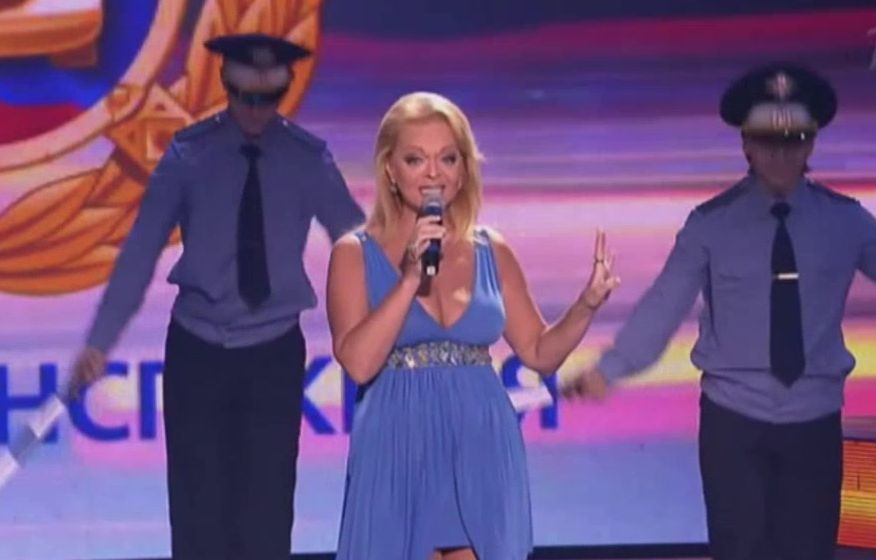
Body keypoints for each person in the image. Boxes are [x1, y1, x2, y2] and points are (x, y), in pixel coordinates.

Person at [69, 33, 365, 559]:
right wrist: (99, 341)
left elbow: (359, 247)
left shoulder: (307, 159)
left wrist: (396, 322)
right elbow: (140, 252)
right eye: (245, 98)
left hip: (273, 355)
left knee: (267, 512)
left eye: (267, 99)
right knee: (197, 512)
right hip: (197, 353)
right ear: (226, 87)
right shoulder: (189, 156)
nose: (255, 111)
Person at [566, 63, 876, 560]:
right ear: (746, 145)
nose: (780, 153)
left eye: (794, 140)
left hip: (815, 420)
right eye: (767, 141)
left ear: (811, 144)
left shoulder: (848, 223)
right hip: (734, 424)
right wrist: (611, 369)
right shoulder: (710, 225)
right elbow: (664, 304)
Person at [327, 91, 620, 560]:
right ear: (390, 170)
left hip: (481, 440)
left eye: (447, 158)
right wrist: (409, 279)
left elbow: (539, 353)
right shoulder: (353, 254)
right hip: (398, 442)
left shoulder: (491, 249)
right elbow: (359, 364)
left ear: (463, 170)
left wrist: (586, 305)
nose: (434, 173)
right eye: (415, 159)